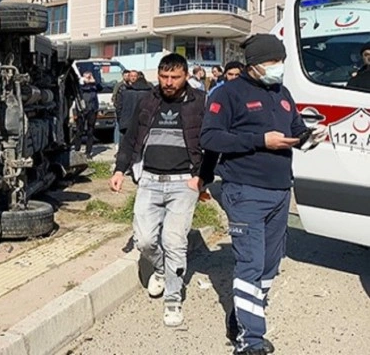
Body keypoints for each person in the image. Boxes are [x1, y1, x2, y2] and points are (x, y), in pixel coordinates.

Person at [200, 34, 327, 355]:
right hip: (245, 191)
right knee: (250, 264)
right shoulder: (228, 94)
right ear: (253, 65)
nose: (278, 67)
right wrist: (260, 140)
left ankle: (240, 317)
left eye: (281, 61)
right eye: (272, 62)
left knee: (270, 265)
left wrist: (310, 137)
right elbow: (211, 137)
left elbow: (295, 129)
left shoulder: (281, 93)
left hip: (281, 190)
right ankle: (250, 342)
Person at [110, 53, 213, 328]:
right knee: (144, 240)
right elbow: (131, 138)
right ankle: (159, 268)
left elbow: (213, 142)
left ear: (186, 76)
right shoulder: (147, 100)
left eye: (175, 77)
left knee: (174, 241)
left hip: (184, 183)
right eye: (164, 76)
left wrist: (202, 178)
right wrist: (120, 169)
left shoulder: (200, 102)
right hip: (149, 181)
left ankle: (173, 298)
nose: (168, 82)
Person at [115, 69, 152, 137]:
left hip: (128, 123)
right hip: (138, 123)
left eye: (135, 76)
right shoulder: (122, 88)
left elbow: (118, 107)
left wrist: (121, 119)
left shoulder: (124, 91)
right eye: (131, 76)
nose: (133, 77)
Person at [74, 70, 102, 157]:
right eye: (87, 76)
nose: (89, 78)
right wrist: (85, 82)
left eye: (90, 76)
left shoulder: (94, 85)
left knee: (90, 131)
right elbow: (80, 89)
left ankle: (88, 152)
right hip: (82, 110)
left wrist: (94, 82)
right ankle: (77, 150)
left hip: (92, 110)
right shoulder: (81, 85)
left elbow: (100, 88)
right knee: (79, 131)